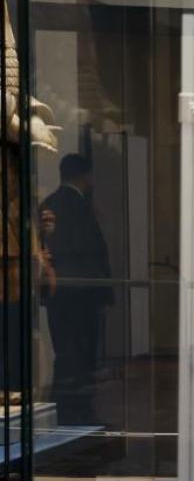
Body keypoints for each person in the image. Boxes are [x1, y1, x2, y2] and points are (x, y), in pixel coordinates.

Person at [39, 153, 112, 424]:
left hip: (58, 291)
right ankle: (77, 414)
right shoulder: (83, 208)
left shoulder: (49, 204)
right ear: (86, 177)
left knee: (64, 350)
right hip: (84, 292)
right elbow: (94, 252)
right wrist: (105, 290)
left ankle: (63, 411)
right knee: (80, 355)